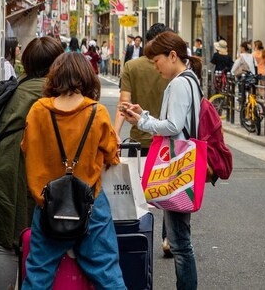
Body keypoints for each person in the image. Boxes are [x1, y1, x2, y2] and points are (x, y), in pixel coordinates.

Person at [20, 52, 123, 289]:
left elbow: (27, 148)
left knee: (38, 275)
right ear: (87, 77)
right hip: (90, 205)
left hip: (49, 204)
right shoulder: (97, 112)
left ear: (54, 77)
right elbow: (111, 155)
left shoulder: (38, 110)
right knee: (107, 274)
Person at [0, 37, 64, 290]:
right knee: (10, 243)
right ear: (57, 64)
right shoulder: (47, 94)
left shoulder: (19, 86)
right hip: (11, 170)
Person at [121, 31, 203, 290]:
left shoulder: (179, 83)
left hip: (177, 167)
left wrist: (142, 121)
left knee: (180, 244)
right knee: (181, 241)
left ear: (172, 55)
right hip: (185, 164)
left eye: (157, 61)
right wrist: (143, 114)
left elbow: (173, 125)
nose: (155, 67)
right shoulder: (191, 80)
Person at [114, 24, 174, 256]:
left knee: (138, 196)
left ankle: (139, 237)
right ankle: (168, 238)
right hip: (168, 142)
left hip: (140, 142)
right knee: (169, 193)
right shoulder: (173, 68)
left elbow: (124, 104)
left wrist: (115, 133)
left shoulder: (132, 66)